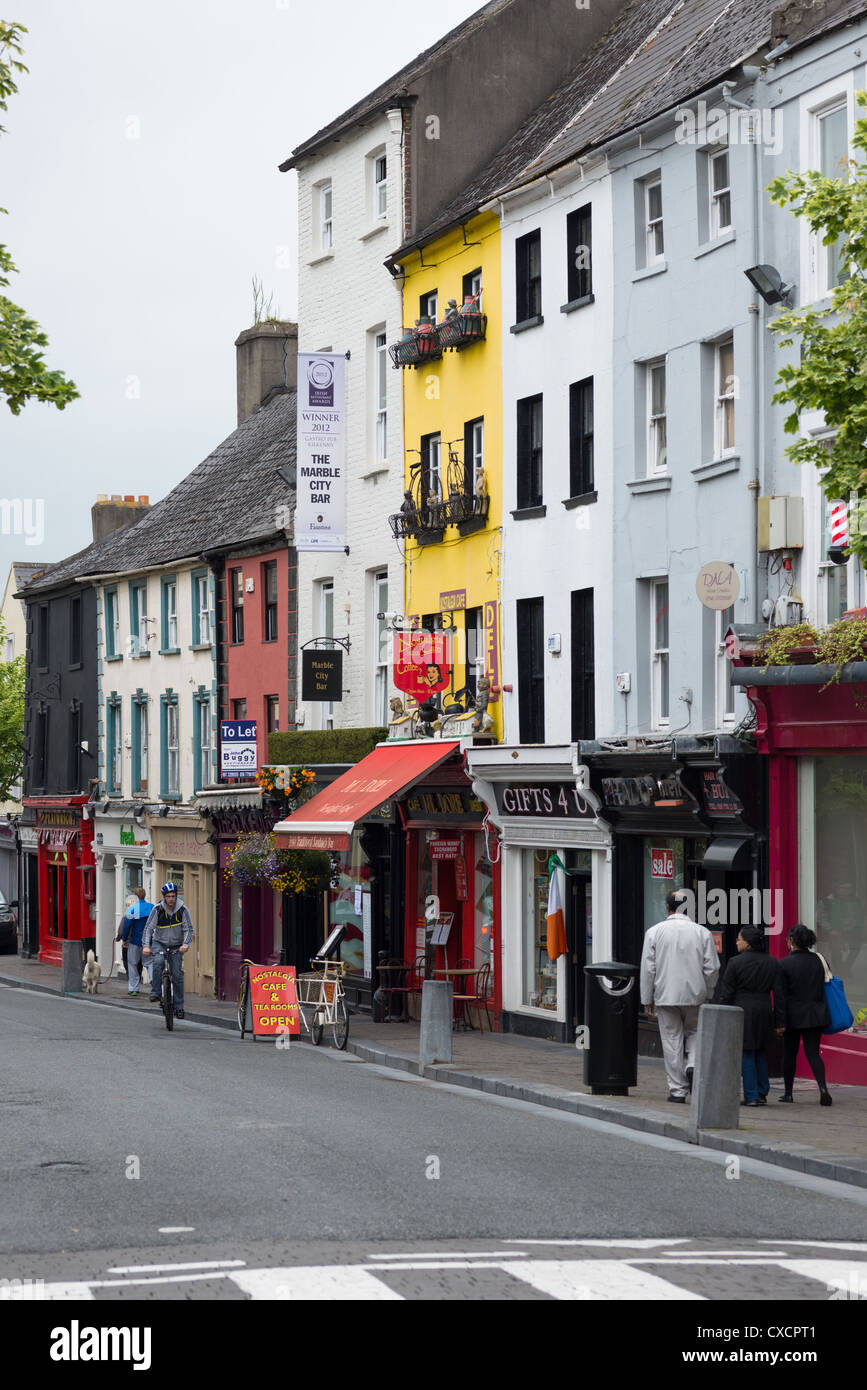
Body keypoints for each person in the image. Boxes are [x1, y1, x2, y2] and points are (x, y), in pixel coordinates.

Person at [640, 887, 720, 1103]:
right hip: (696, 994)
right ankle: (693, 1065)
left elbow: (648, 969)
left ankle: (677, 1090)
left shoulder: (654, 932)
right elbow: (712, 968)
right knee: (695, 1033)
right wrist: (708, 991)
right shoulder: (702, 932)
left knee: (671, 1039)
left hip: (666, 994)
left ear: (667, 907)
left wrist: (647, 998)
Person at [718, 926, 778, 1106]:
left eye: (739, 939)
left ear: (748, 942)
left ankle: (751, 1095)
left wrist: (722, 1013)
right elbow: (780, 993)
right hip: (765, 1009)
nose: (736, 942)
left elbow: (727, 992)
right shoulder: (772, 962)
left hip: (742, 1009)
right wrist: (780, 1020)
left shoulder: (735, 963)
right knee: (760, 1051)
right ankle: (762, 1092)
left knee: (746, 1052)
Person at [775, 923, 832, 1106]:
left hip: (793, 1016)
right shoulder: (819, 960)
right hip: (815, 1014)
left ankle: (788, 1093)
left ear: (791, 940)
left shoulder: (784, 964)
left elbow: (781, 996)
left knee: (790, 1054)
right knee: (813, 1053)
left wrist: (780, 1021)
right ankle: (823, 1088)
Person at [142, 882, 194, 1019]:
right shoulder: (157, 910)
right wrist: (146, 946)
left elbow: (189, 929)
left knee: (177, 975)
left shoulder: (183, 910)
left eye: (173, 896)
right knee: (158, 962)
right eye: (168, 896)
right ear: (164, 897)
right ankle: (156, 992)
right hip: (159, 943)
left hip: (177, 945)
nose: (171, 899)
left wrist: (186, 944)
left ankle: (179, 1007)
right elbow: (148, 929)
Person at [119, 886, 154, 997]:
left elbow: (127, 925)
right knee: (150, 963)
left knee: (132, 964)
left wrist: (124, 939)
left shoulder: (133, 908)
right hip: (149, 941)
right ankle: (156, 985)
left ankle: (133, 988)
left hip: (135, 940)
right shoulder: (152, 907)